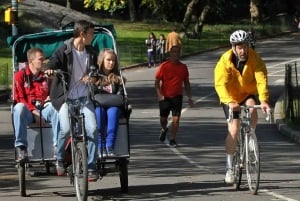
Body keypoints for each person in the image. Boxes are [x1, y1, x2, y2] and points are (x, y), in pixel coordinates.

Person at [214, 30, 271, 184]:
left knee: (252, 105)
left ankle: (251, 135)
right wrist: (229, 101)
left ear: (249, 46)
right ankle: (229, 168)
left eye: (245, 46)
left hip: (247, 93)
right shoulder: (225, 61)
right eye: (239, 47)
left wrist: (264, 100)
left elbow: (261, 80)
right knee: (233, 129)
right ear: (233, 47)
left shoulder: (255, 58)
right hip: (230, 97)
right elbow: (220, 84)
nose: (243, 50)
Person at [45, 20, 99, 181]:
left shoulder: (91, 52)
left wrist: (92, 77)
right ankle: (60, 158)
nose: (93, 36)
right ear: (82, 34)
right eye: (91, 33)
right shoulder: (65, 49)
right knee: (66, 129)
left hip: (84, 98)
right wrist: (49, 69)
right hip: (65, 99)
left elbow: (95, 72)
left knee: (93, 130)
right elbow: (52, 62)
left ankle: (91, 167)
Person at [13, 47, 59, 162]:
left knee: (57, 107)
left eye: (44, 59)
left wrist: (54, 84)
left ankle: (58, 147)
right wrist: (34, 112)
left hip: (44, 108)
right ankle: (21, 147)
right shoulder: (20, 76)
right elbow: (19, 98)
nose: (44, 62)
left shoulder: (46, 76)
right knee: (18, 108)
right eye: (40, 59)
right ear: (31, 61)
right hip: (28, 111)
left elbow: (55, 95)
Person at [155, 45, 194, 147]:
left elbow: (186, 83)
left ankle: (172, 139)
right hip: (165, 97)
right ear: (170, 53)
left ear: (180, 54)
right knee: (163, 119)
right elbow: (157, 81)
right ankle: (164, 129)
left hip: (177, 97)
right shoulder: (164, 66)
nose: (176, 54)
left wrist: (190, 97)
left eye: (178, 52)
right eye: (174, 52)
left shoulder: (183, 67)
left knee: (176, 119)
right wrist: (159, 95)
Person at [93, 48, 124, 157]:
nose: (111, 63)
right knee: (99, 112)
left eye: (113, 60)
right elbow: (92, 94)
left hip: (113, 105)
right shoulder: (94, 77)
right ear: (102, 60)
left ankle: (110, 146)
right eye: (108, 60)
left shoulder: (118, 78)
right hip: (99, 105)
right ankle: (100, 146)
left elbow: (121, 95)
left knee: (113, 111)